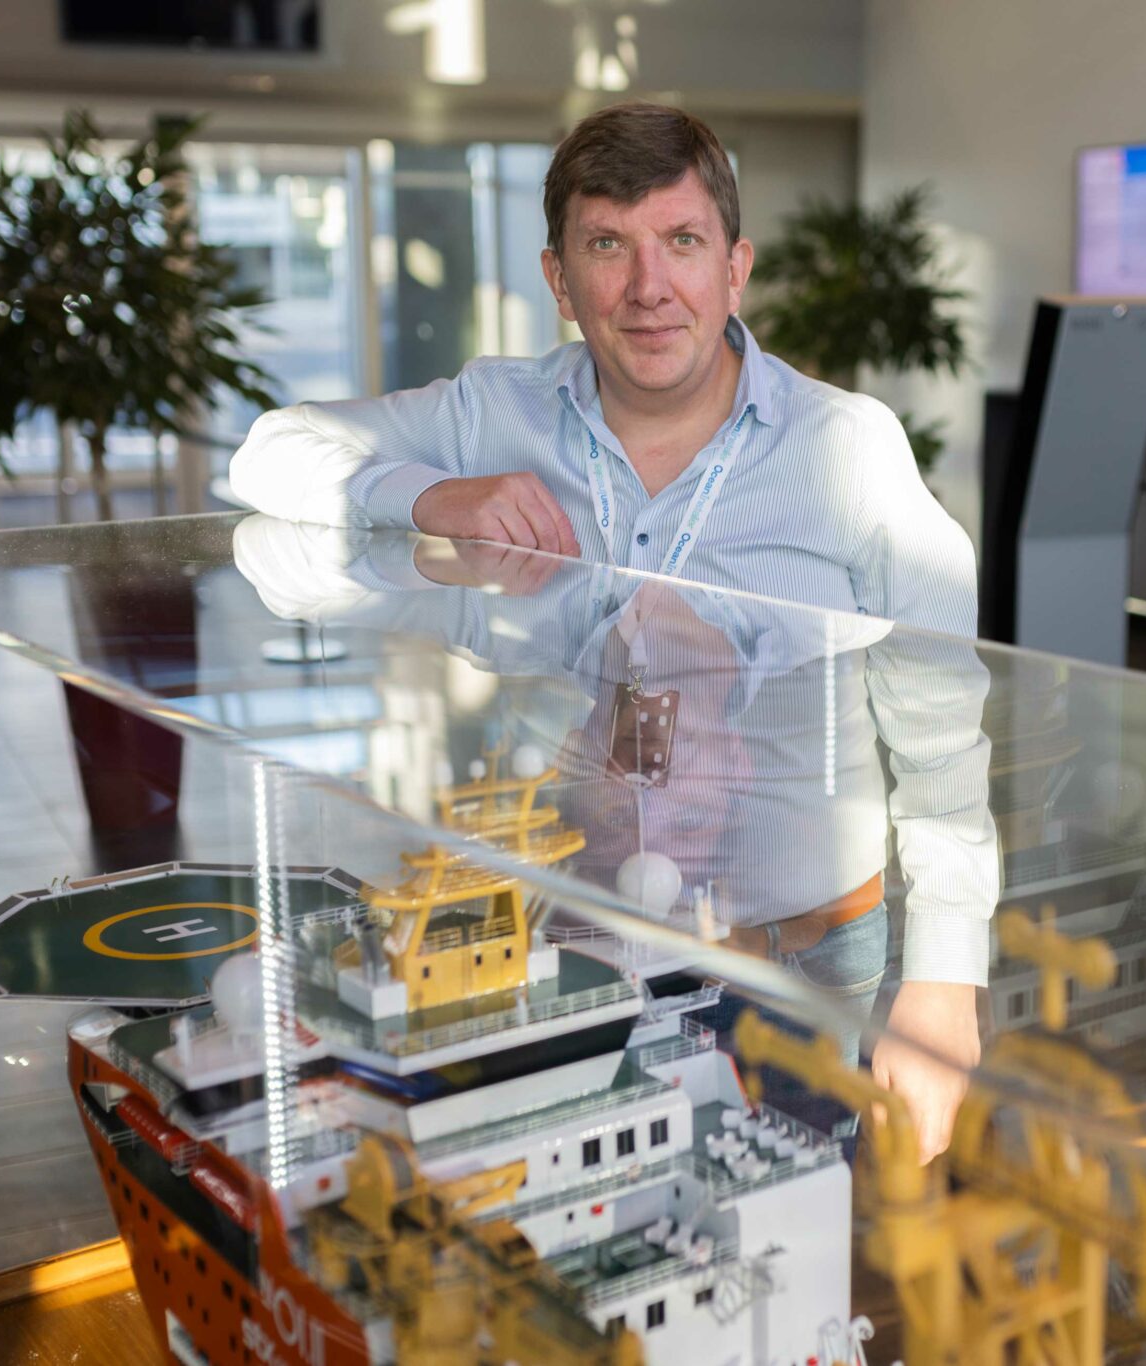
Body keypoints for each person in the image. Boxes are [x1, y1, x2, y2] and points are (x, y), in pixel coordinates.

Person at [228, 102, 994, 1162]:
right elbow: (265, 456)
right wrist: (434, 493)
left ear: (735, 268)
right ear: (557, 276)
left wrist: (945, 979)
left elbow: (941, 738)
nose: (647, 287)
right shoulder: (491, 415)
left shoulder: (848, 452)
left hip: (798, 961)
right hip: (563, 945)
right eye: (607, 245)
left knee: (775, 1266)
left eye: (681, 242)